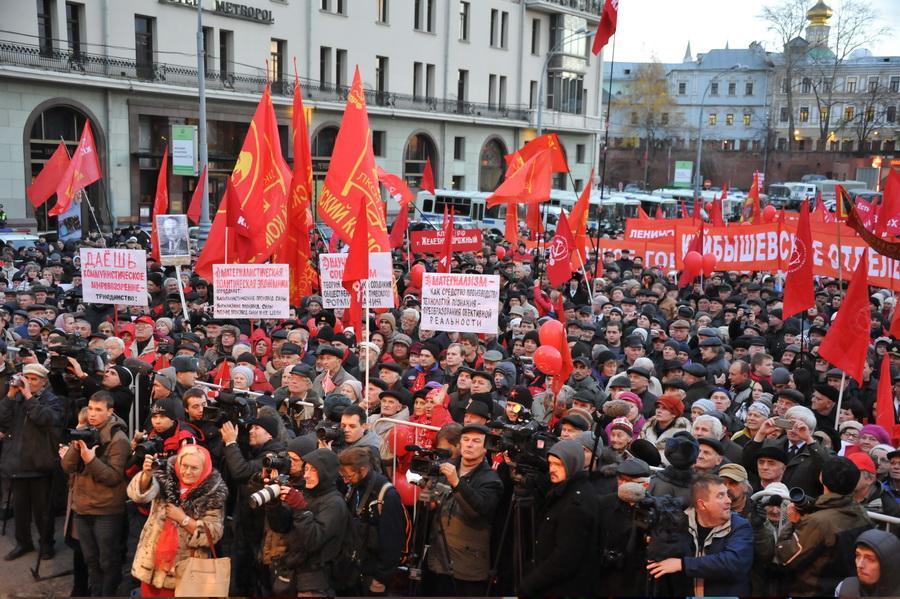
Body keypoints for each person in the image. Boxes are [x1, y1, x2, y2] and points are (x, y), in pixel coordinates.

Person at [127, 444, 227, 596]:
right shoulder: (164, 479)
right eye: (184, 466)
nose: (187, 472)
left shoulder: (213, 494)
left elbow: (213, 534)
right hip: (151, 566)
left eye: (194, 468)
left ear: (204, 468)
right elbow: (138, 496)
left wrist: (183, 519)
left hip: (185, 573)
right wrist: (146, 475)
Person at [60, 391, 130, 595]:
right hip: (82, 507)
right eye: (90, 408)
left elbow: (113, 477)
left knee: (107, 561)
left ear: (110, 411)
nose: (92, 413)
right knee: (90, 559)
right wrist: (76, 446)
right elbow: (67, 466)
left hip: (106, 510)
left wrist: (91, 460)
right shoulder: (85, 431)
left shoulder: (118, 439)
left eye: (98, 409)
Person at [775, 456, 874, 596]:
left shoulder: (819, 522)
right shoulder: (861, 512)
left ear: (821, 477)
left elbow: (786, 557)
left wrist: (793, 523)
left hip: (814, 592)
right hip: (844, 590)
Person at [425, 423, 503, 596]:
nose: (469, 445)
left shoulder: (491, 480)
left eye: (476, 441)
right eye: (466, 439)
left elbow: (478, 511)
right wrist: (429, 501)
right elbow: (433, 504)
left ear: (486, 448)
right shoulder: (445, 468)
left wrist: (457, 483)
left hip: (467, 569)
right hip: (437, 561)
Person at [647, 474, 753, 596]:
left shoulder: (740, 526)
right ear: (702, 504)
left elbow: (734, 563)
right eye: (721, 496)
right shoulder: (678, 524)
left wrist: (683, 564)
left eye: (727, 494)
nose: (728, 500)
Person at [266, 448, 350, 596]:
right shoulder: (307, 494)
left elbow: (313, 541)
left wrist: (300, 509)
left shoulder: (334, 503)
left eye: (313, 470)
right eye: (306, 469)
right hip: (295, 572)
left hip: (316, 580)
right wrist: (274, 504)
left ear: (326, 472)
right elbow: (281, 527)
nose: (306, 475)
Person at [0, 363, 62, 560]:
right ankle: (23, 543)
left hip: (39, 463)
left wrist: (28, 396)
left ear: (43, 382)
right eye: (26, 378)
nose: (28, 382)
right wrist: (10, 395)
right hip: (17, 462)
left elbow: (44, 419)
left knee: (42, 511)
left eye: (34, 379)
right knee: (20, 510)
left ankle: (46, 544)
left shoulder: (52, 400)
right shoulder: (15, 398)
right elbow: (2, 420)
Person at [520, 439, 598, 596]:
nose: (552, 469)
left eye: (559, 465)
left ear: (572, 464)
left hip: (562, 589)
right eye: (550, 463)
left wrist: (530, 583)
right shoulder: (563, 491)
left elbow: (565, 558)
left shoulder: (576, 503)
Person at [339, 446, 408, 594]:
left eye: (349, 476)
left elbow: (393, 542)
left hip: (373, 575)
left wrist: (381, 577)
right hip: (354, 569)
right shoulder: (355, 487)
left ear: (363, 470)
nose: (346, 481)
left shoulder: (386, 495)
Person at [595, 458, 652, 595]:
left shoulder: (653, 508)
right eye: (621, 479)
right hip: (606, 576)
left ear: (645, 485)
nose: (623, 485)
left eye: (629, 481)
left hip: (636, 579)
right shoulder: (604, 504)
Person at [837, 528, 900, 597]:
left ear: (888, 565)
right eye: (858, 555)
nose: (859, 565)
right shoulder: (845, 588)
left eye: (870, 559)